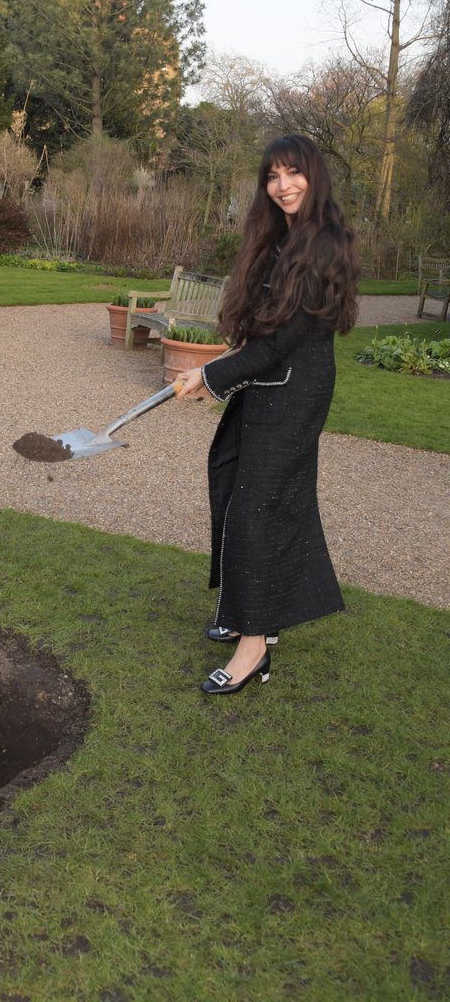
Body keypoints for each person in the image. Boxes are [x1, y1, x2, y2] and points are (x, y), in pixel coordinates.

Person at [175, 134, 360, 696]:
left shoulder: (323, 243)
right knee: (237, 488)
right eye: (273, 176)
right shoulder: (284, 238)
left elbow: (282, 342)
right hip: (266, 383)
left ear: (314, 175)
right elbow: (263, 334)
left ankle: (254, 647)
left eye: (293, 174)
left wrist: (209, 376)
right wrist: (225, 368)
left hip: (293, 394)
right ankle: (244, 608)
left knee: (260, 511)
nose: (283, 186)